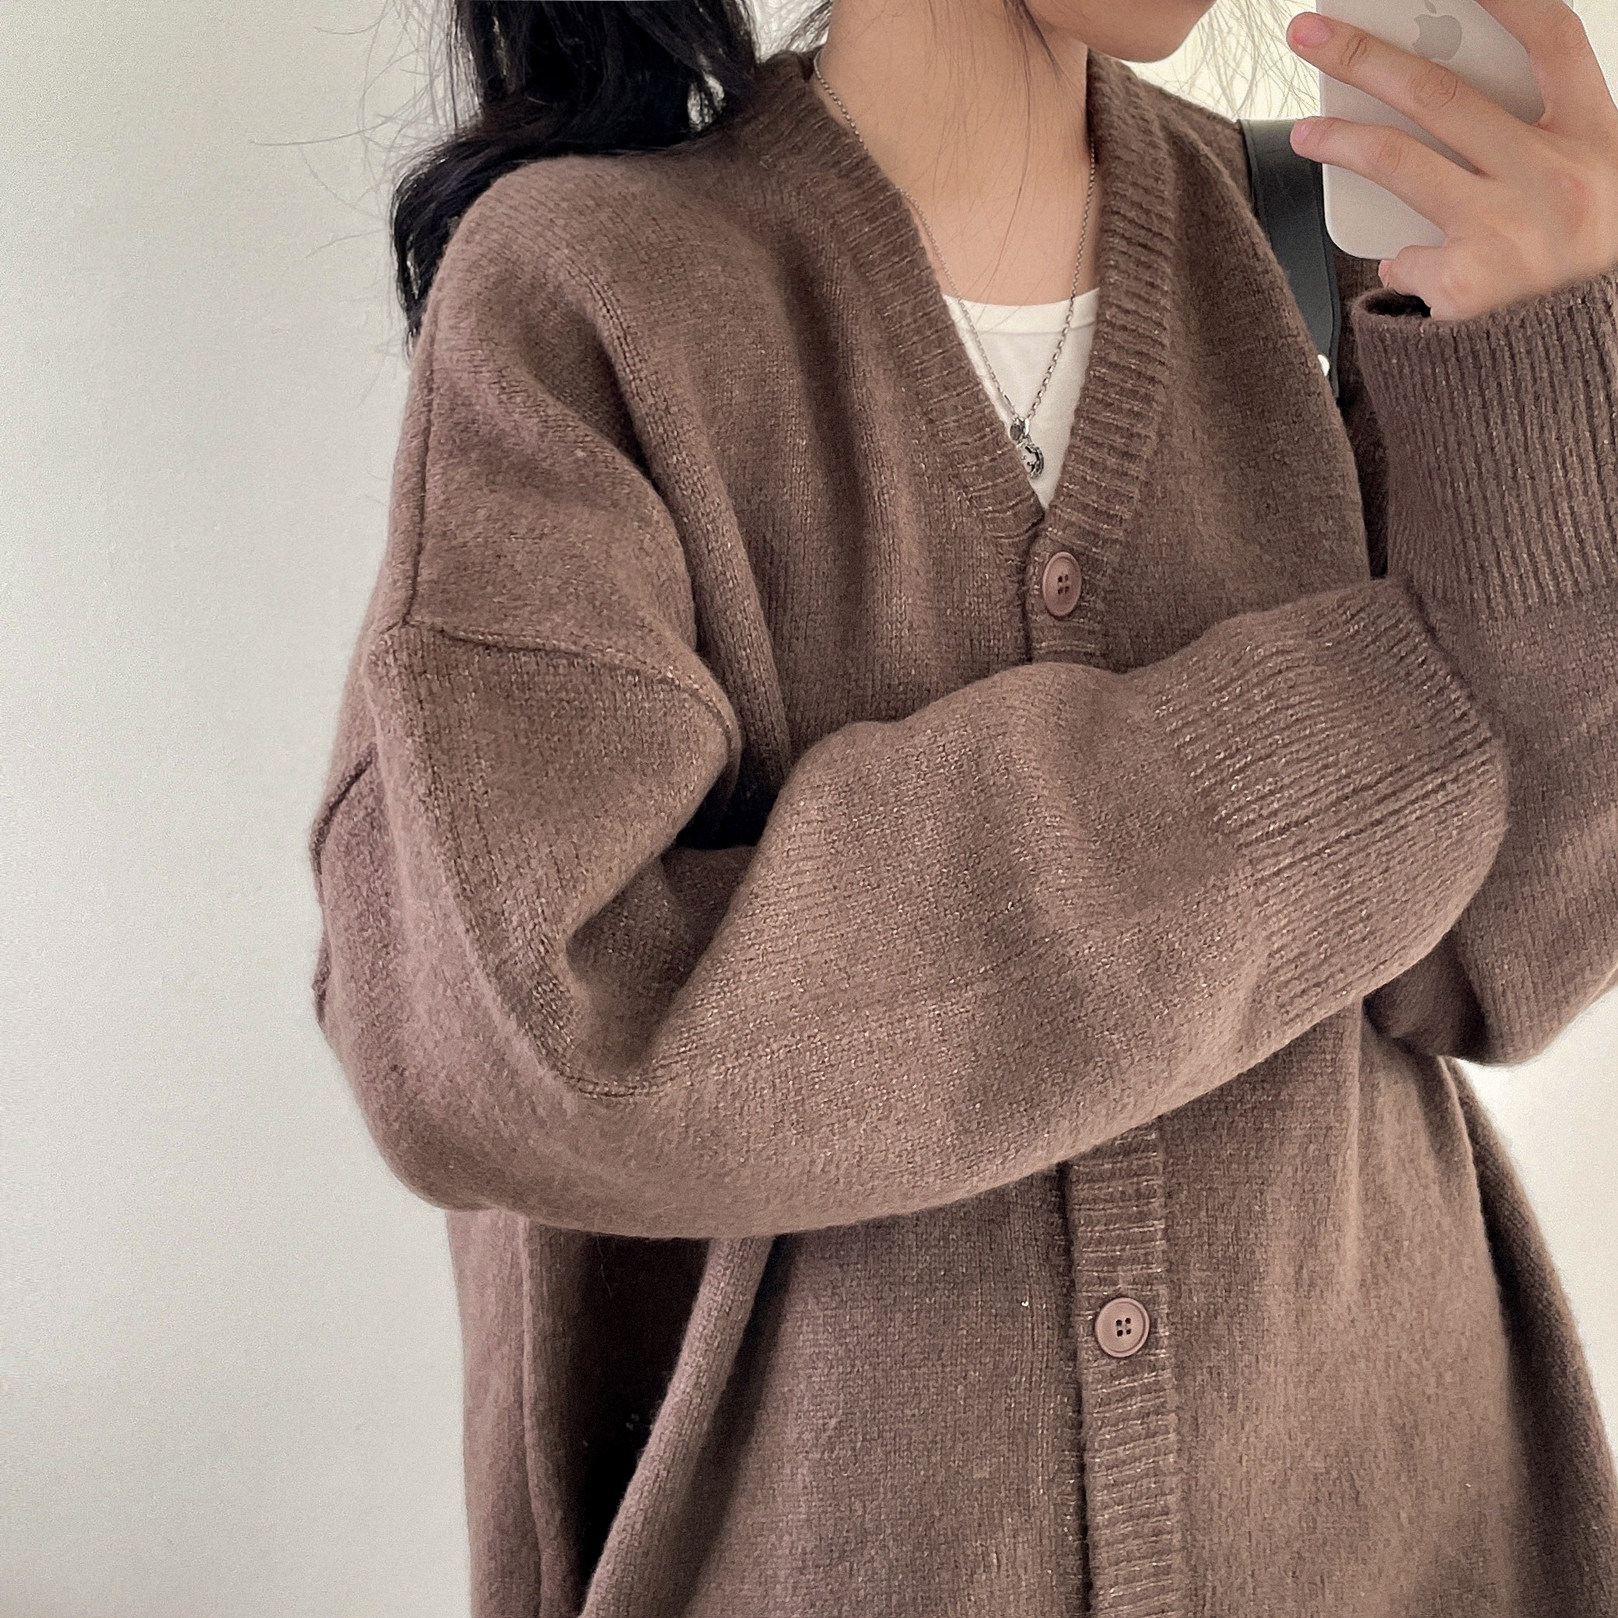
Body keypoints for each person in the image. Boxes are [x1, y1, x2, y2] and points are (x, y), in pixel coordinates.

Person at [305, 0, 1618, 1611]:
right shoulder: (593, 289)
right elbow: (533, 1038)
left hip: (1403, 1531)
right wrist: (1360, 732)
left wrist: (1546, 382)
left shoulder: (1318, 256)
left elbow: (1501, 957)